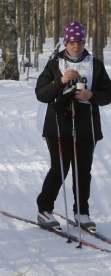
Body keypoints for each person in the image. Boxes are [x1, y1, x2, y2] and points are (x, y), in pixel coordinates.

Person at [35, 21, 111, 231]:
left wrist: (91, 95)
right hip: (59, 124)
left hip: (86, 125)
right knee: (60, 167)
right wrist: (60, 81)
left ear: (84, 42)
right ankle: (44, 209)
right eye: (71, 41)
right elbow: (41, 94)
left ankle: (82, 213)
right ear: (65, 42)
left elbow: (108, 94)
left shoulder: (95, 64)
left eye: (79, 41)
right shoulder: (54, 64)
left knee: (83, 169)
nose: (76, 45)